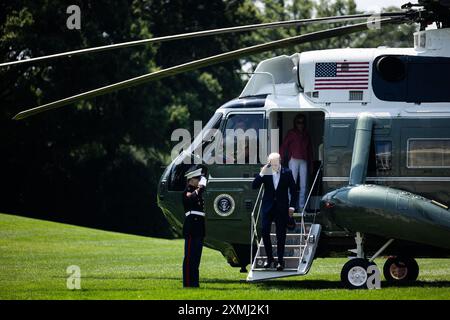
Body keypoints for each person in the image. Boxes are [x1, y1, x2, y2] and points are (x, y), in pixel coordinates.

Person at [252, 152, 297, 271]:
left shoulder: (287, 172)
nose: (274, 166)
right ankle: (270, 258)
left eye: (276, 164)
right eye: (271, 164)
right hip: (268, 207)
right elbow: (254, 185)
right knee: (265, 231)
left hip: (282, 208)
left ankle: (280, 261)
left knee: (280, 235)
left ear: (280, 161)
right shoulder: (266, 172)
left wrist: (292, 207)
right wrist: (261, 173)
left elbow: (293, 190)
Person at [279, 113, 313, 211]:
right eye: (298, 122)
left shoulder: (307, 134)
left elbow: (310, 151)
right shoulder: (291, 133)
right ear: (295, 123)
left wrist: (311, 164)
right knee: (292, 183)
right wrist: (279, 159)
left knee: (303, 185)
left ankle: (302, 207)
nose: (300, 124)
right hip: (293, 160)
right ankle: (291, 206)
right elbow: (284, 146)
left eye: (302, 122)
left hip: (304, 161)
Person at [182, 166, 208, 287]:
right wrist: (200, 188)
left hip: (198, 229)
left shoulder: (197, 192)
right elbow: (190, 199)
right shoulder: (187, 191)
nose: (199, 180)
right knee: (189, 258)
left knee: (196, 258)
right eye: (197, 178)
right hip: (192, 229)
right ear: (191, 180)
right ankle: (188, 283)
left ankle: (194, 283)